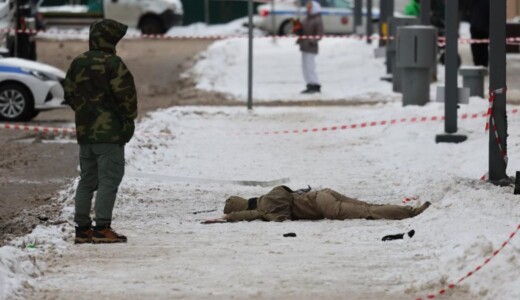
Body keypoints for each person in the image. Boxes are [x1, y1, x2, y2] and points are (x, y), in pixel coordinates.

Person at [64, 19, 138, 244]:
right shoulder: (113, 63)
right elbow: (128, 100)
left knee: (87, 179)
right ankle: (102, 228)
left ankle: (82, 229)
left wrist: (85, 113)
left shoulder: (78, 62)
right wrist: (126, 119)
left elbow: (69, 94)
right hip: (110, 134)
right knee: (109, 179)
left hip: (86, 133)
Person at [213, 186, 430, 222]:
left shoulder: (267, 205)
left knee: (367, 212)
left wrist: (229, 218)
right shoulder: (271, 195)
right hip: (322, 194)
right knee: (367, 206)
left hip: (323, 206)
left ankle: (411, 212)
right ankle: (407, 210)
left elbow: (274, 217)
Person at [297, 1, 324, 94]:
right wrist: (297, 28)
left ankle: (315, 84)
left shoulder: (317, 19)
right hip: (304, 46)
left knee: (310, 66)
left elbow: (319, 34)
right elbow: (303, 31)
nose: (307, 9)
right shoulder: (306, 18)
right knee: (305, 67)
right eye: (307, 7)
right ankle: (309, 84)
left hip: (311, 47)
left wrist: (311, 41)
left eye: (309, 8)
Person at [469, 0, 490, 67]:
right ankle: (481, 65)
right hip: (481, 28)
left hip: (479, 28)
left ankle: (479, 64)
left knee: (478, 49)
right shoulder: (486, 2)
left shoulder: (476, 3)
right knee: (482, 49)